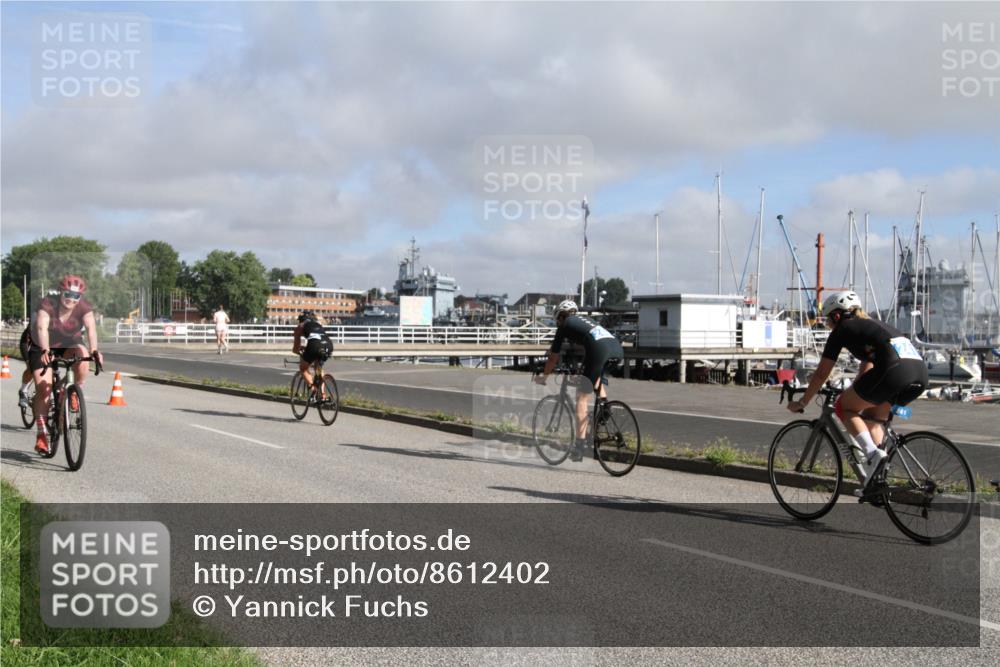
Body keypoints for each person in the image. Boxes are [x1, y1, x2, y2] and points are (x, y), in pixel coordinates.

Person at [787, 290, 928, 490]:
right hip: (919, 375)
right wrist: (855, 391)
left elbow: (821, 373)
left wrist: (803, 402)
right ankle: (878, 481)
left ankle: (872, 454)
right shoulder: (873, 326)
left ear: (837, 315)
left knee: (843, 408)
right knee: (872, 419)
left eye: (828, 320)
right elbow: (868, 366)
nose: (828, 325)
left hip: (894, 372)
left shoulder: (843, 329)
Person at [534, 300, 624, 461]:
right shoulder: (586, 322)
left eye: (558, 320)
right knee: (593, 377)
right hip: (616, 348)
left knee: (581, 397)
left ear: (560, 316)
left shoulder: (565, 325)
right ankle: (605, 406)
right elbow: (587, 349)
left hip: (599, 351)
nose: (558, 323)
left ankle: (579, 446)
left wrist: (544, 377)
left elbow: (553, 358)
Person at [25, 275, 104, 455]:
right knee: (44, 389)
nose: (71, 299)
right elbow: (41, 328)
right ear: (61, 292)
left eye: (76, 296)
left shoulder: (84, 307)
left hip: (69, 342)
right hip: (43, 344)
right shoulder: (47, 304)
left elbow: (91, 329)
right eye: (68, 294)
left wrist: (94, 350)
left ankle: (73, 391)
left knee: (82, 357)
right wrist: (45, 350)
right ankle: (42, 434)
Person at [292, 310, 333, 398]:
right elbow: (316, 339)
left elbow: (295, 348)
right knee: (318, 367)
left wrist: (298, 350)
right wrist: (306, 348)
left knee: (303, 368)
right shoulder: (318, 324)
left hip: (315, 346)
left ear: (301, 320)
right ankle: (323, 395)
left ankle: (314, 389)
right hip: (328, 345)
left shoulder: (300, 326)